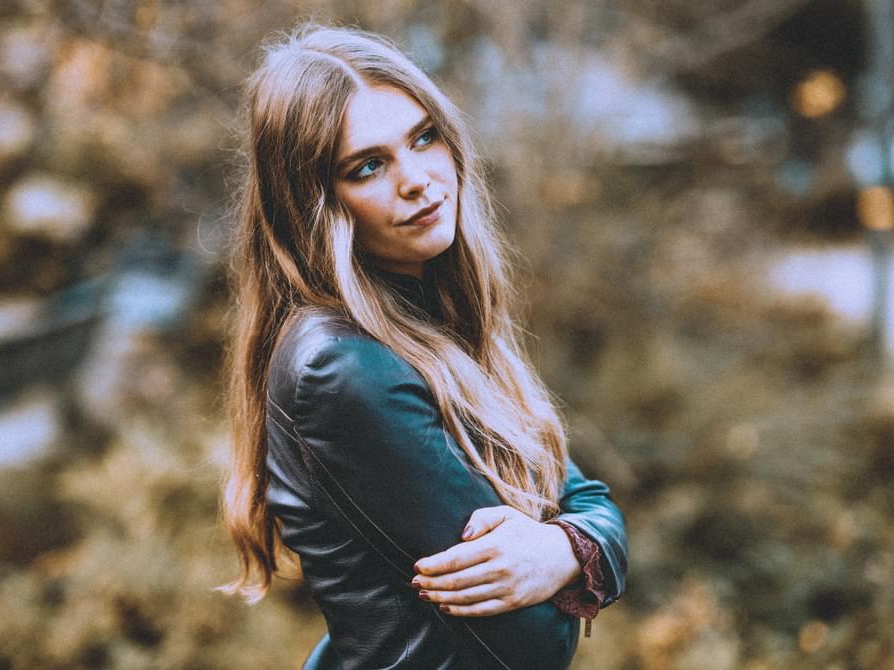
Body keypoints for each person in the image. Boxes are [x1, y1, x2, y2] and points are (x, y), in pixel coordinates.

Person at [221, 24, 628, 669]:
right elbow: (533, 640)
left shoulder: (431, 316)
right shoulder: (344, 366)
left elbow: (586, 496)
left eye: (423, 137)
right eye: (368, 166)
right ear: (313, 204)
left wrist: (563, 550)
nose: (416, 179)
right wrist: (576, 550)